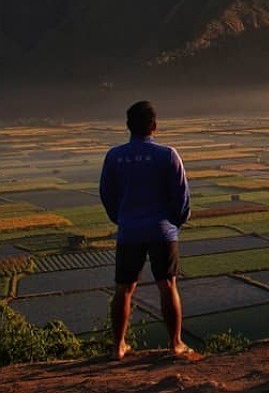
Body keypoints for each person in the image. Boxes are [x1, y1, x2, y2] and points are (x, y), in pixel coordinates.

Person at [99, 101, 192, 360]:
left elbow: (107, 194)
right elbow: (182, 197)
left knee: (124, 289)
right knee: (168, 285)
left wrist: (121, 219)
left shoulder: (115, 156)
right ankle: (175, 344)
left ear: (128, 126)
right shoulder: (167, 155)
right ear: (154, 126)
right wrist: (175, 222)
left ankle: (118, 346)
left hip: (129, 230)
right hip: (163, 231)